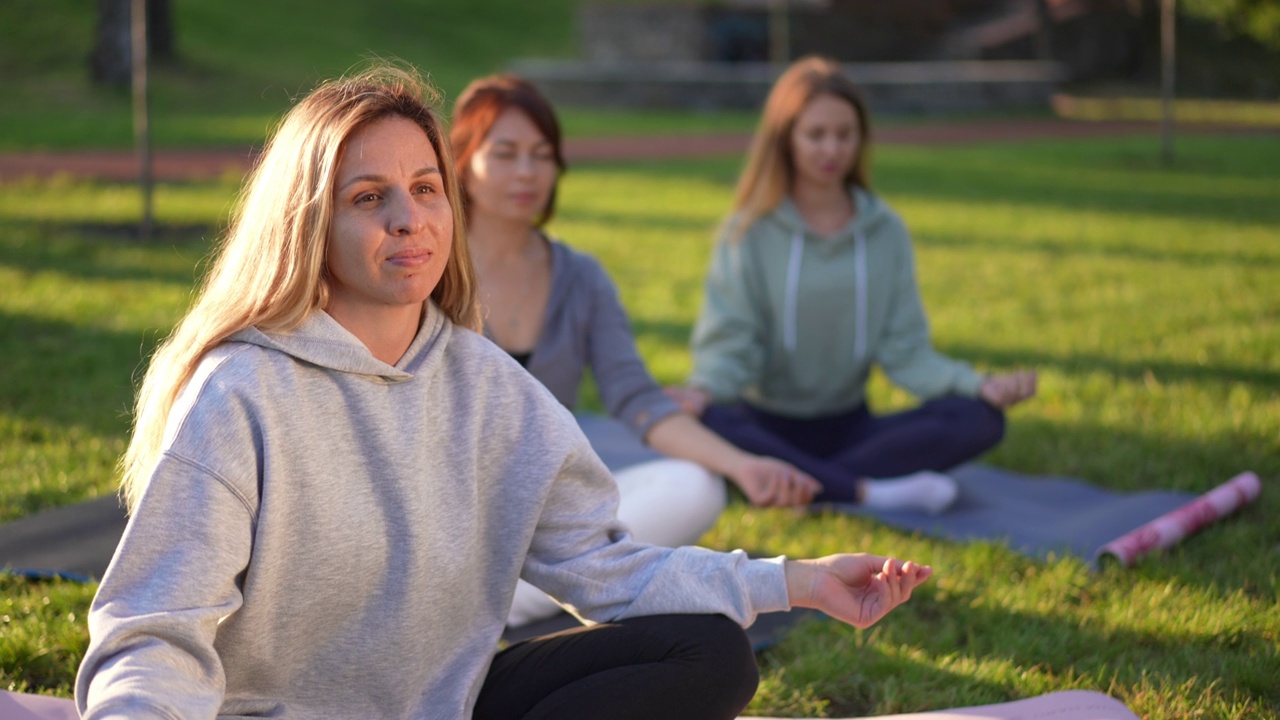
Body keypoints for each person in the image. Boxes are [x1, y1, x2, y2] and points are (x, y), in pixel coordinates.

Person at [74, 64, 934, 720]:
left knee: (712, 653)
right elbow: (153, 631)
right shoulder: (242, 391)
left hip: (443, 698)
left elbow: (603, 566)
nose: (409, 221)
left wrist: (797, 581)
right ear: (310, 224)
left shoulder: (484, 383)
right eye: (369, 198)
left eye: (424, 190)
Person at [450, 74, 823, 629]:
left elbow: (637, 398)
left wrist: (744, 466)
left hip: (546, 515)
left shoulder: (580, 277)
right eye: (505, 154)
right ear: (464, 164)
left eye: (542, 155)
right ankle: (559, 589)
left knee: (694, 486)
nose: (527, 172)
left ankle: (506, 603)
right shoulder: (433, 271)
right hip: (452, 510)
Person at [669, 56, 1037, 515]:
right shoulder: (748, 232)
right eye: (815, 134)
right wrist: (702, 389)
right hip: (765, 423)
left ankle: (801, 480)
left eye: (845, 135)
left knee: (980, 419)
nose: (832, 150)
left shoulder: (886, 231)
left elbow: (908, 354)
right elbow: (732, 343)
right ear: (786, 138)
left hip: (853, 429)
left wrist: (979, 385)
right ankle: (869, 490)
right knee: (701, 421)